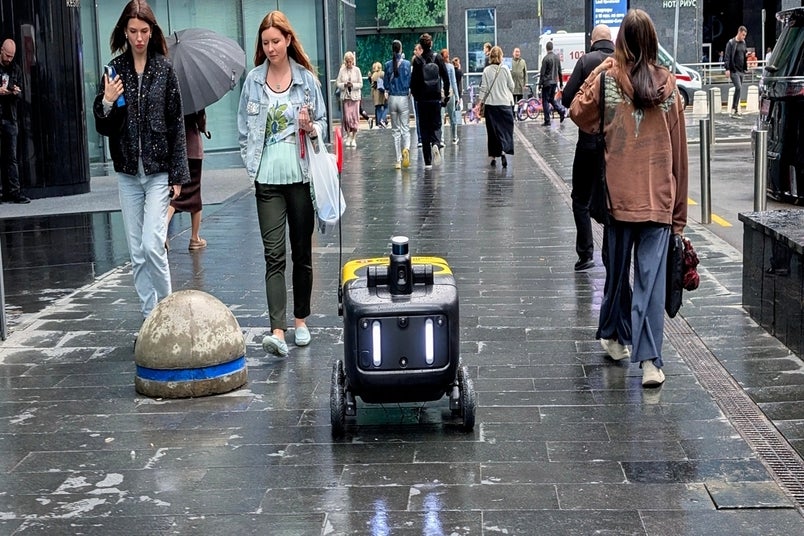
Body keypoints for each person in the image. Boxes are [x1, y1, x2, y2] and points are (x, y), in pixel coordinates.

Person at [569, 8, 688, 387]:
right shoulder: (670, 88)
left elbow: (577, 111)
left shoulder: (608, 79)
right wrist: (679, 219)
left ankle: (616, 336)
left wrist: (600, 70)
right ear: (652, 42)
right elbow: (680, 157)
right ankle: (650, 361)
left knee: (618, 275)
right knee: (649, 283)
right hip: (659, 201)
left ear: (620, 42)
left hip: (618, 201)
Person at [237, 9, 326, 357]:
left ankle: (300, 320)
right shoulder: (253, 81)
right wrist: (251, 163)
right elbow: (244, 130)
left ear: (288, 39)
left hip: (300, 176)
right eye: (265, 43)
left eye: (276, 41)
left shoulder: (306, 80)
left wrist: (310, 127)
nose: (271, 48)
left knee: (301, 252)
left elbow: (322, 122)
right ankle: (277, 329)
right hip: (267, 180)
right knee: (273, 254)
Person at [93, 0, 189, 321]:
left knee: (152, 245)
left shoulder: (164, 69)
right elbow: (104, 126)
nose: (138, 37)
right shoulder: (114, 70)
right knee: (136, 253)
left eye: (144, 31)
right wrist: (107, 102)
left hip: (159, 170)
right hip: (127, 172)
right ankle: (150, 320)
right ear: (125, 31)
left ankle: (167, 313)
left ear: (152, 31)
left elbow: (176, 122)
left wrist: (178, 174)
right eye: (133, 31)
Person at [562, 24, 615, 272]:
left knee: (580, 198)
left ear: (593, 41)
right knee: (613, 200)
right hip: (616, 144)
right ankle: (610, 253)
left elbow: (567, 98)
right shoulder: (623, 62)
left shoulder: (586, 61)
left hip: (588, 142)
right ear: (611, 40)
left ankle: (585, 254)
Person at [166, 109, 210, 251]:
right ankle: (194, 237)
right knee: (192, 194)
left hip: (173, 150)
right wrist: (203, 126)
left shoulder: (168, 100)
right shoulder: (194, 101)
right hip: (192, 149)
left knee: (176, 194)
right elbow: (201, 123)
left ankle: (162, 232)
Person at [410, 33, 450, 170]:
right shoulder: (437, 58)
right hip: (435, 98)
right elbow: (446, 77)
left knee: (424, 128)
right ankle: (436, 144)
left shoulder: (417, 61)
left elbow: (413, 82)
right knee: (437, 125)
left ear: (421, 46)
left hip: (422, 100)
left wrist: (416, 97)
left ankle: (427, 162)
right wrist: (445, 95)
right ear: (431, 43)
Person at [474, 46, 514, 168]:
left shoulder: (486, 70)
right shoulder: (505, 69)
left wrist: (479, 103)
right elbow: (511, 86)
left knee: (492, 132)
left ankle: (493, 157)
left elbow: (484, 88)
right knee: (505, 130)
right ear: (501, 56)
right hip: (505, 104)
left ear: (490, 57)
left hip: (491, 105)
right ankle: (503, 151)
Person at [0, 38, 29, 204]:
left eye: (11, 56)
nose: (9, 59)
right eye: (7, 55)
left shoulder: (15, 69)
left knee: (11, 157)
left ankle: (14, 191)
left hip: (10, 116)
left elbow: (20, 91)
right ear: (1, 51)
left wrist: (15, 91)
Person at [383, 39, 412, 170]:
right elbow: (410, 81)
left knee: (395, 130)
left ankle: (397, 160)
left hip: (392, 98)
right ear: (400, 49)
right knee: (405, 128)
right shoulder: (407, 64)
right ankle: (406, 149)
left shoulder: (387, 65)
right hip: (403, 98)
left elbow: (385, 84)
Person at [336, 51, 362, 147]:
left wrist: (353, 85)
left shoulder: (357, 70)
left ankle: (354, 137)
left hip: (355, 97)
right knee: (347, 117)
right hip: (346, 97)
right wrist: (344, 85)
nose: (349, 63)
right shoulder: (342, 70)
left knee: (355, 117)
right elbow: (338, 83)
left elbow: (361, 84)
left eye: (350, 61)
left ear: (353, 61)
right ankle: (348, 135)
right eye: (347, 61)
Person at [539, 40, 566, 126]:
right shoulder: (557, 58)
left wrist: (540, 84)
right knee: (551, 99)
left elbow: (542, 73)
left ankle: (547, 120)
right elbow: (560, 71)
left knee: (545, 101)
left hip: (547, 83)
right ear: (552, 48)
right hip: (554, 82)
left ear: (546, 48)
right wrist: (561, 83)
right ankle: (561, 111)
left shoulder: (545, 59)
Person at [724, 26, 748, 118]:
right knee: (738, 87)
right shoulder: (731, 43)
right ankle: (734, 108)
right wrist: (727, 69)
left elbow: (743, 53)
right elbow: (727, 56)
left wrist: (747, 55)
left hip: (741, 69)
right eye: (743, 35)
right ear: (739, 32)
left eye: (745, 35)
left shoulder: (743, 43)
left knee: (739, 89)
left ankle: (736, 109)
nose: (744, 37)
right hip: (734, 70)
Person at [440, 48, 460, 145]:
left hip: (441, 93)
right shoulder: (451, 67)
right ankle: (454, 137)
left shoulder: (438, 67)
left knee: (441, 116)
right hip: (450, 93)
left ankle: (442, 139)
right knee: (452, 115)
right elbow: (454, 82)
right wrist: (457, 96)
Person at [369, 61, 387, 129]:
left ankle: (379, 123)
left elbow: (372, 85)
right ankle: (382, 119)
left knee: (378, 108)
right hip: (382, 93)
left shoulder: (373, 75)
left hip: (376, 93)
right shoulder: (382, 73)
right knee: (386, 106)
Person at [451, 56, 464, 129]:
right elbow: (461, 82)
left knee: (453, 107)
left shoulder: (452, 71)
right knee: (458, 106)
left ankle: (453, 121)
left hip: (452, 90)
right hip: (458, 90)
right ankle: (458, 121)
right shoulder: (459, 72)